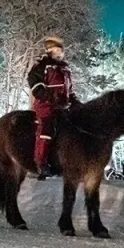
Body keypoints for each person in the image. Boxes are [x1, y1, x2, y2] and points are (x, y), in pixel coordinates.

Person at [27, 35, 80, 180]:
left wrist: (75, 101)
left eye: (61, 50)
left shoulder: (65, 68)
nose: (60, 53)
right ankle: (41, 163)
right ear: (49, 50)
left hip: (63, 106)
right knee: (47, 128)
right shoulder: (41, 67)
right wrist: (50, 96)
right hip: (46, 105)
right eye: (57, 50)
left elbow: (69, 90)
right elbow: (36, 86)